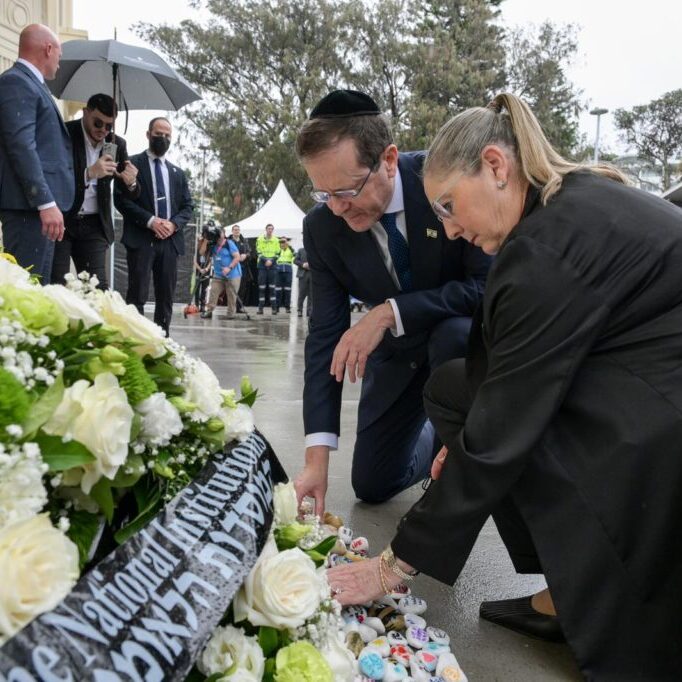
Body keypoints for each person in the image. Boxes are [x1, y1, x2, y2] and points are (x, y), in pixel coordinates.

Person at [326, 93, 682, 680]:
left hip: (663, 404)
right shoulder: (561, 211)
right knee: (453, 392)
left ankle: (591, 591)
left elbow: (502, 426)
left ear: (495, 166)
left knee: (501, 427)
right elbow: (497, 380)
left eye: (447, 204)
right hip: (647, 370)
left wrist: (392, 567)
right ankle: (562, 580)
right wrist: (463, 439)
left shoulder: (544, 248)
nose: (449, 227)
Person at [293, 90, 491, 512]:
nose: (337, 208)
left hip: (461, 344)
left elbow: (483, 286)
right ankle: (429, 436)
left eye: (346, 190)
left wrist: (389, 312)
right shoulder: (323, 228)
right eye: (322, 193)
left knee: (451, 334)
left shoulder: (441, 182)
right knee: (372, 482)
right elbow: (326, 336)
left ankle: (461, 456)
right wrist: (316, 459)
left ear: (387, 159)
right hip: (399, 356)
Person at [0, 24, 73, 283]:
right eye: (59, 56)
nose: (59, 63)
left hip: (35, 213)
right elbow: (21, 146)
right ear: (48, 48)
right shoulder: (16, 82)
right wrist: (45, 202)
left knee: (36, 289)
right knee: (26, 292)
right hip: (28, 211)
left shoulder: (31, 84)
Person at [51, 93, 139, 289]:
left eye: (109, 126)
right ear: (85, 113)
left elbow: (130, 193)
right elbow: (54, 176)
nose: (103, 130)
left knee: (97, 288)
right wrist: (89, 173)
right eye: (98, 123)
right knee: (57, 284)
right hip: (63, 218)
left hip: (94, 224)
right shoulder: (65, 133)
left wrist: (131, 182)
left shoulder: (116, 144)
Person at [115, 117, 193, 337]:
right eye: (159, 134)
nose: (163, 139)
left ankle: (162, 343)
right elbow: (121, 200)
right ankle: (135, 340)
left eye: (168, 135)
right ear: (148, 135)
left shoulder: (177, 173)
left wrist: (173, 224)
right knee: (137, 295)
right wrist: (151, 221)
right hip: (141, 240)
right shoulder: (131, 164)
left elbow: (188, 206)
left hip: (169, 242)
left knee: (166, 296)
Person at [201, 228, 241, 319]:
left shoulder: (229, 243)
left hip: (233, 274)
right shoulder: (213, 244)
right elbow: (201, 252)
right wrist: (206, 239)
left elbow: (237, 257)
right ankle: (209, 311)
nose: (219, 235)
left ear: (224, 234)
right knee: (213, 292)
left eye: (221, 233)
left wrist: (229, 268)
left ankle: (230, 314)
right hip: (218, 275)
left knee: (231, 295)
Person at [255, 223, 280, 314]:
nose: (270, 230)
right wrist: (266, 260)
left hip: (272, 265)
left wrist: (271, 261)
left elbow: (278, 253)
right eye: (269, 228)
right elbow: (258, 252)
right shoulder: (260, 239)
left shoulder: (276, 240)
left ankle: (274, 308)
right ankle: (260, 308)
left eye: (271, 229)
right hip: (262, 265)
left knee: (272, 288)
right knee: (262, 287)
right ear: (266, 229)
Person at [228, 224, 251, 311]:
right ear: (232, 231)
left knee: (242, 288)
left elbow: (249, 252)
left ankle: (239, 307)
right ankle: (232, 306)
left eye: (238, 230)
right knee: (232, 288)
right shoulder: (228, 241)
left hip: (242, 267)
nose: (236, 231)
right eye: (235, 230)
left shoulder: (244, 241)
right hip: (232, 267)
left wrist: (246, 255)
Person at [276, 236, 295, 313]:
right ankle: (277, 307)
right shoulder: (278, 250)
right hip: (278, 272)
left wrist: (289, 245)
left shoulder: (290, 249)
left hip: (288, 272)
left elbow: (295, 255)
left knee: (287, 290)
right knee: (278, 290)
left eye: (284, 242)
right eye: (281, 242)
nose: (282, 243)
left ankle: (287, 307)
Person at [193, 235, 211, 312]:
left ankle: (203, 306)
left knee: (204, 289)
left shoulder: (209, 250)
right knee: (196, 289)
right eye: (200, 241)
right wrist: (200, 269)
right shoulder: (196, 250)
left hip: (206, 271)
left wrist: (206, 268)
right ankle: (196, 305)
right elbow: (194, 261)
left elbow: (211, 261)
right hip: (198, 271)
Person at [294, 245, 312, 317]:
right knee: (302, 293)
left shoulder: (315, 250)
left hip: (312, 274)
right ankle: (300, 310)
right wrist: (303, 264)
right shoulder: (301, 250)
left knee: (311, 294)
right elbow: (295, 260)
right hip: (302, 274)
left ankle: (309, 311)